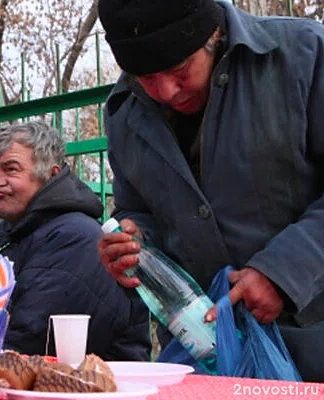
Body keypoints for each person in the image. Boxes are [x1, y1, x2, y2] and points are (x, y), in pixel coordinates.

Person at [96, 0, 324, 382]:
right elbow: (138, 211)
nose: (165, 91)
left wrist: (285, 272)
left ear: (213, 33)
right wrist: (132, 241)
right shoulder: (124, 112)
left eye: (178, 69)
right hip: (202, 361)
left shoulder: (305, 56)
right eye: (145, 78)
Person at [0, 121, 151, 361]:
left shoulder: (73, 237)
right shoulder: (24, 236)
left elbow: (26, 341)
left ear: (51, 174)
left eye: (11, 169)